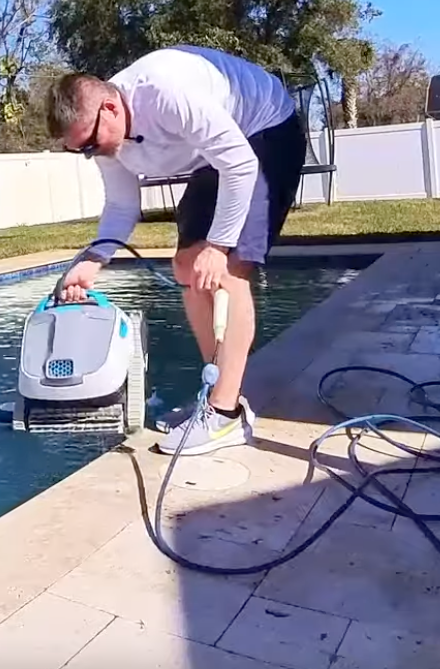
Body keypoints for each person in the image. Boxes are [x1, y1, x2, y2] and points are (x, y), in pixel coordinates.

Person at [46, 44, 306, 456]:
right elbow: (122, 206)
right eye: (81, 150)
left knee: (226, 270)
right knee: (186, 265)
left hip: (265, 132)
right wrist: (93, 260)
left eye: (91, 144)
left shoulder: (164, 92)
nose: (91, 154)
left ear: (110, 108)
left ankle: (224, 415)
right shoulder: (104, 139)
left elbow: (239, 164)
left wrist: (219, 245)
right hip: (216, 155)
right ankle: (218, 393)